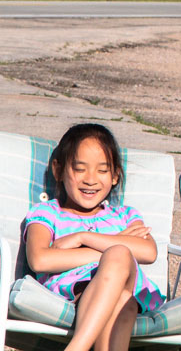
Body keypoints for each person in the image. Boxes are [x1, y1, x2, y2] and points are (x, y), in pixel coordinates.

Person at [24, 123, 163, 351]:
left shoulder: (125, 215)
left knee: (119, 258)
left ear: (115, 175)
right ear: (58, 170)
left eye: (102, 170)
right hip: (77, 293)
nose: (91, 179)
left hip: (128, 287)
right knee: (123, 297)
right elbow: (40, 260)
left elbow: (148, 252)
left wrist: (83, 238)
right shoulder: (48, 213)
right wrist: (114, 246)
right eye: (80, 169)